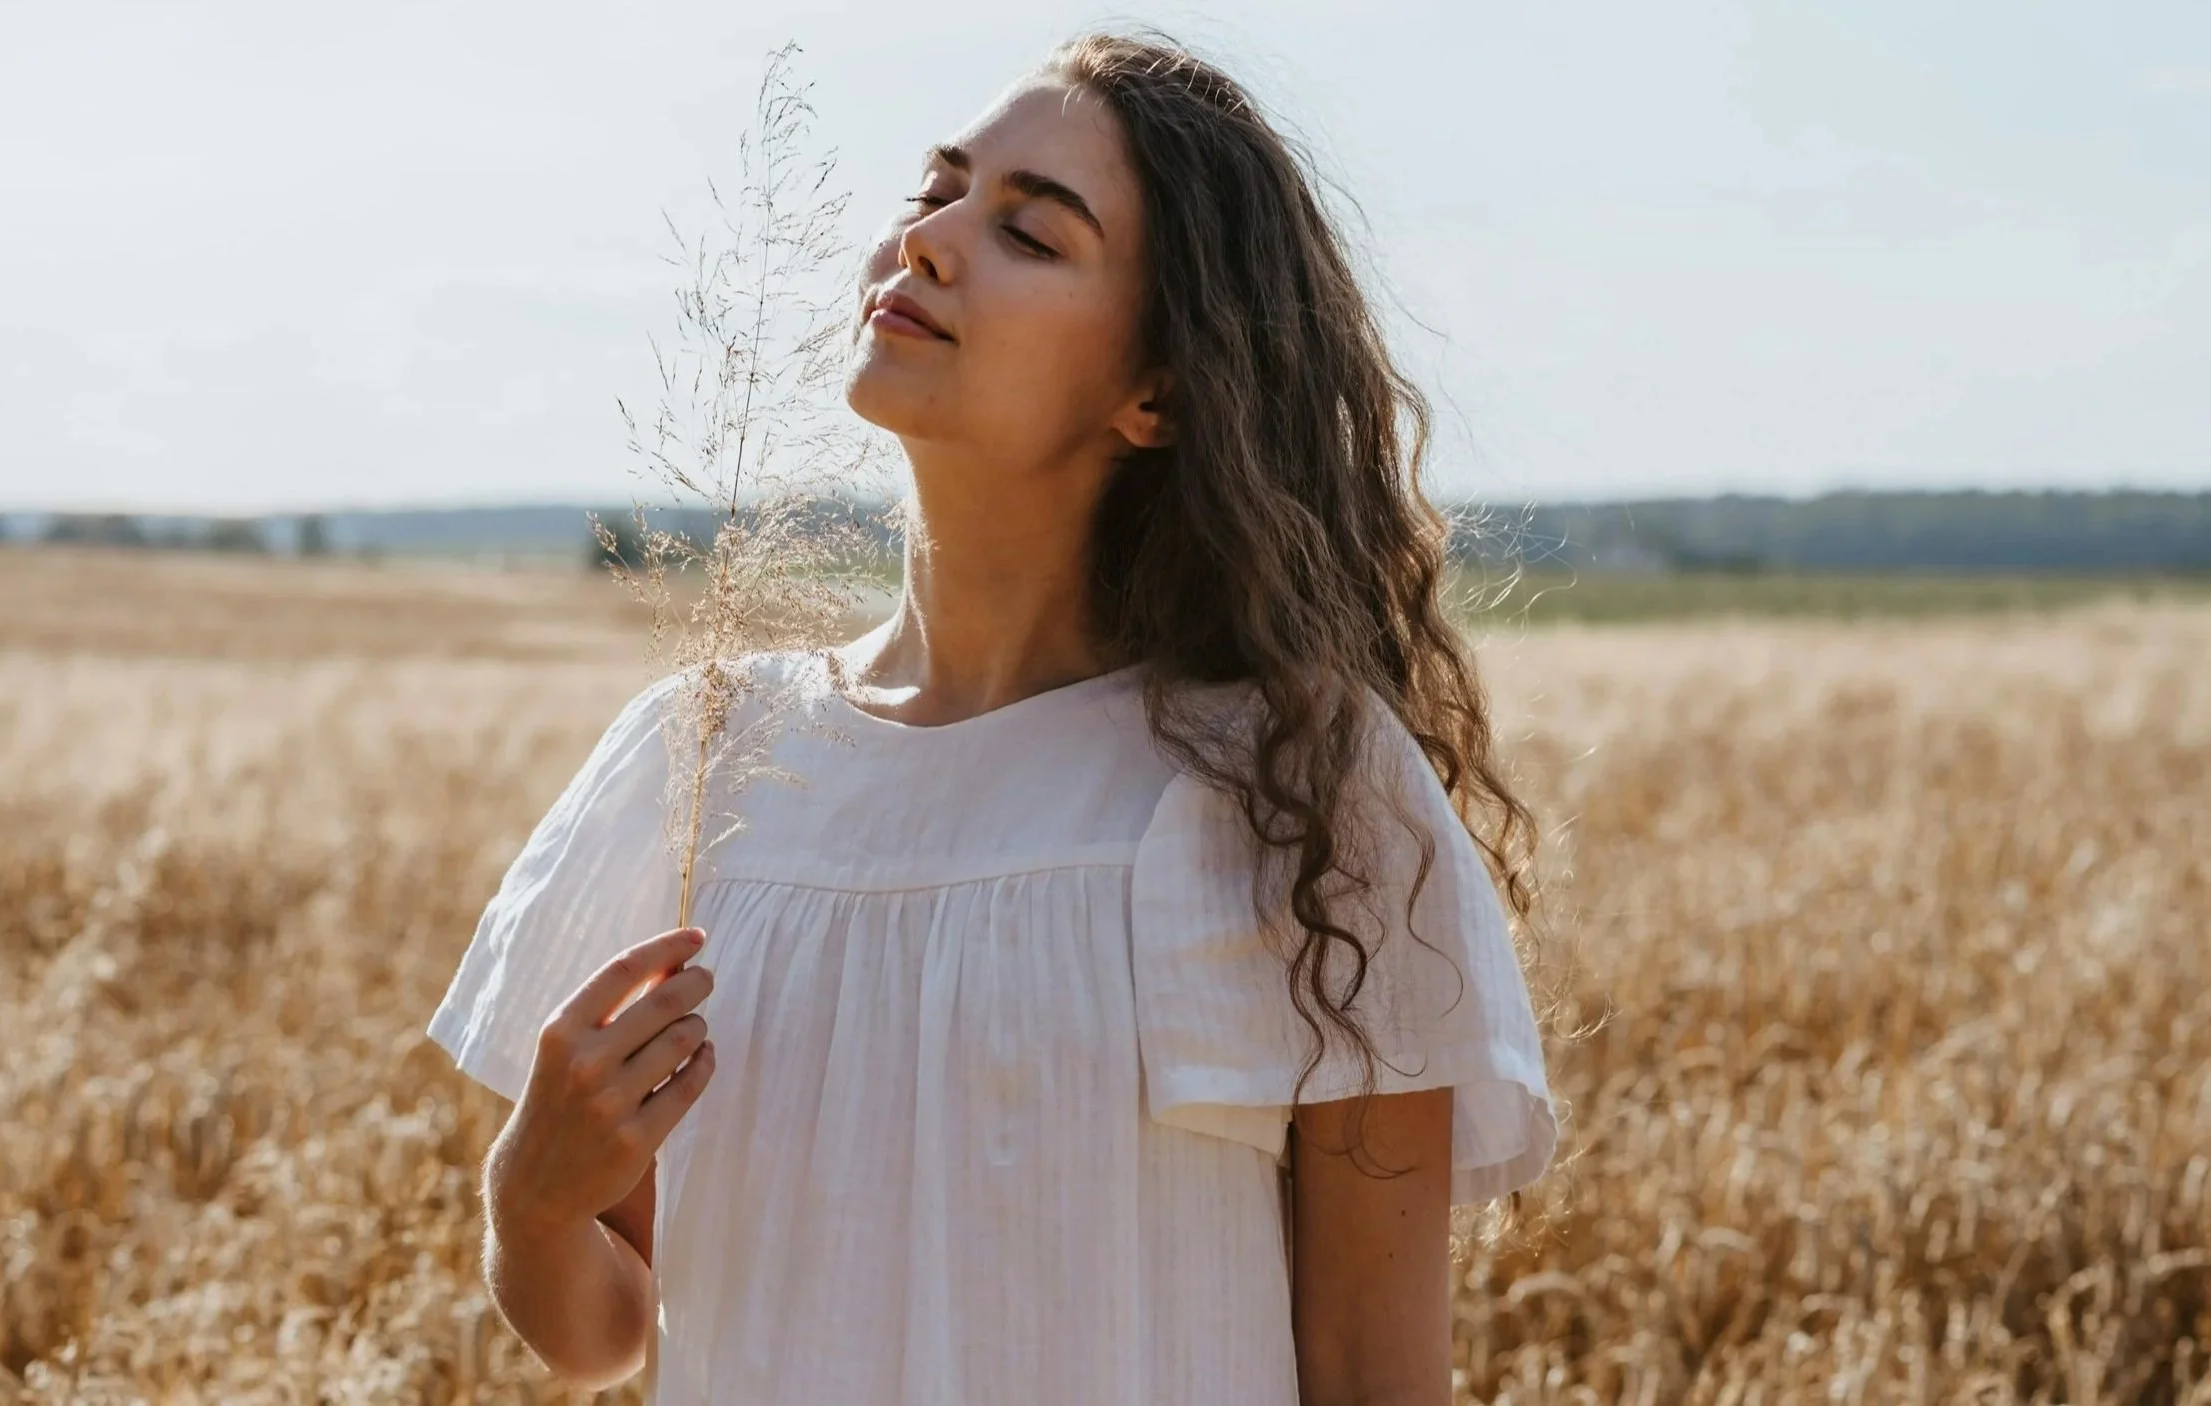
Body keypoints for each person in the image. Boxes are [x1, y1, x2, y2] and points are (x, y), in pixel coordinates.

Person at [426, 30, 1558, 1405]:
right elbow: (609, 1327)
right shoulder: (709, 755)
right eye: (936, 189)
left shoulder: (1301, 790)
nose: (932, 240)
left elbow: (1374, 1370)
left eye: (1030, 230)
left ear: (1160, 392)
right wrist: (530, 1203)